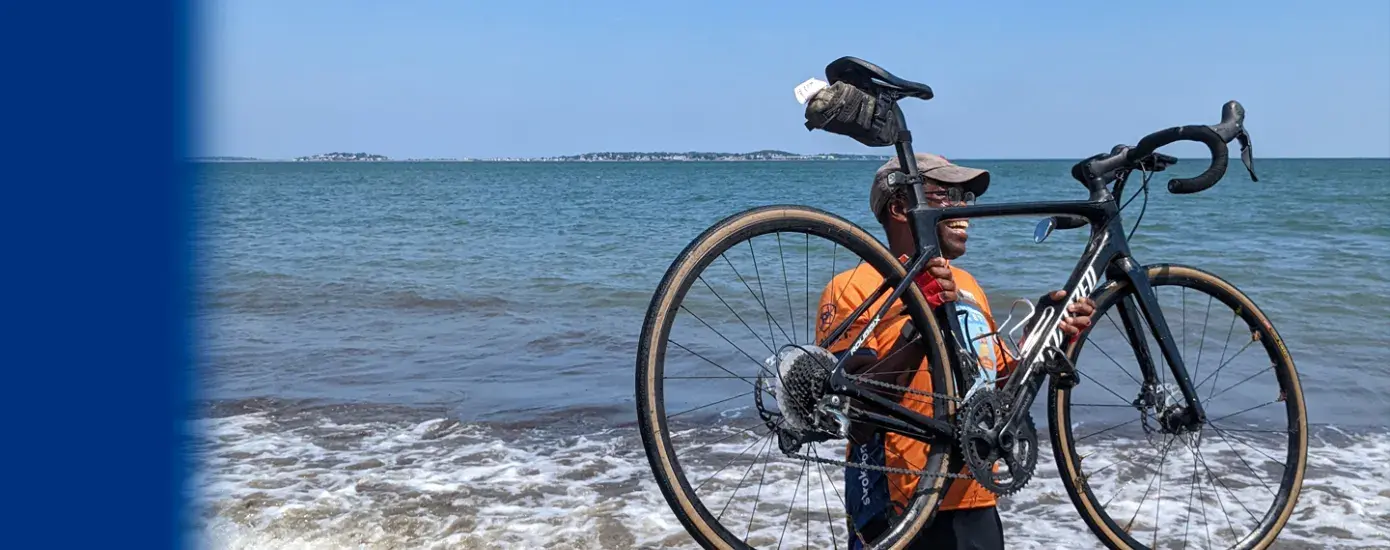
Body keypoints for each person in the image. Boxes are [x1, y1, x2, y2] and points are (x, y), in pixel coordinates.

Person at [813, 153, 1097, 550]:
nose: (964, 208)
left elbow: (997, 388)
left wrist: (1046, 336)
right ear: (900, 207)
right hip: (897, 503)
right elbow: (856, 415)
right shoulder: (853, 287)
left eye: (966, 197)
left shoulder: (966, 284)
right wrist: (922, 320)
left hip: (975, 497)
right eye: (947, 196)